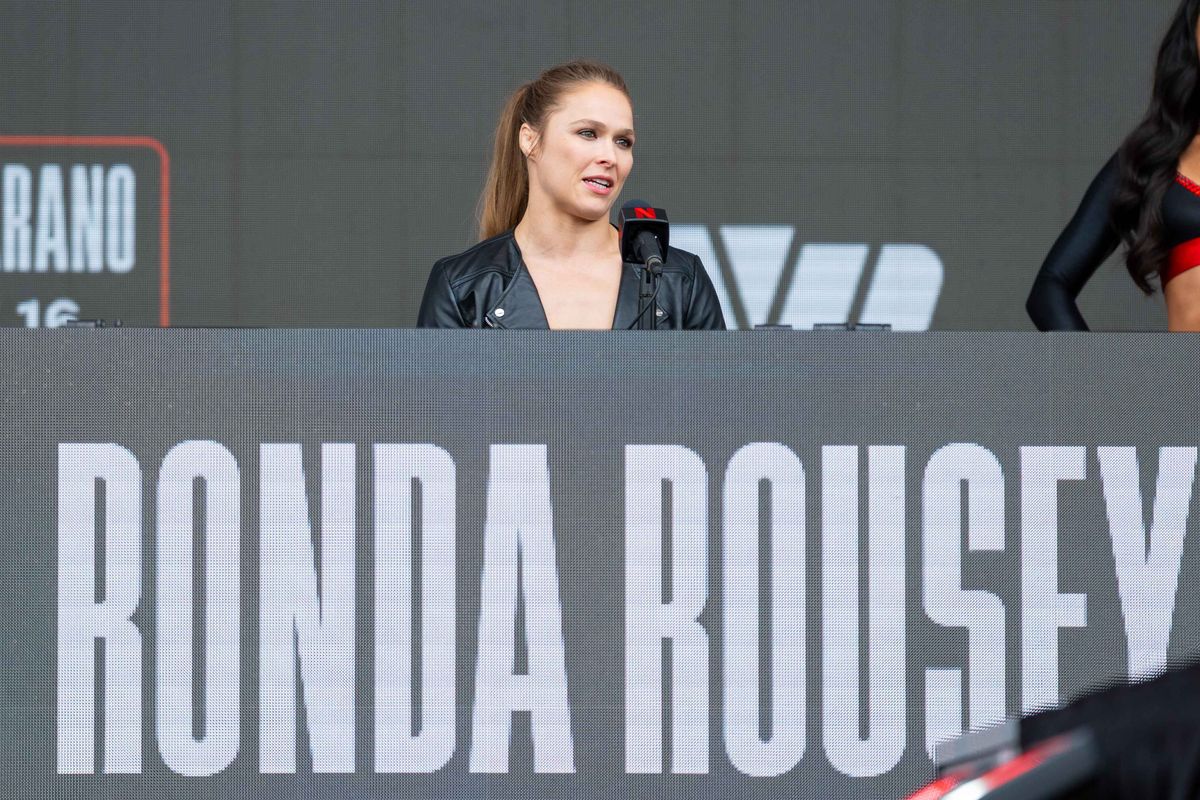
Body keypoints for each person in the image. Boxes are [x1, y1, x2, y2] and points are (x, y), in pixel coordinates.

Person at [417, 60, 726, 329]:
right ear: (530, 140)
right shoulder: (462, 285)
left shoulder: (680, 280)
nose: (610, 156)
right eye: (588, 133)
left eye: (623, 142)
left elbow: (719, 396)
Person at [1027, 0, 1200, 331]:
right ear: (1193, 37)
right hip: (1188, 379)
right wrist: (1097, 378)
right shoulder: (1153, 159)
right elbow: (1051, 287)